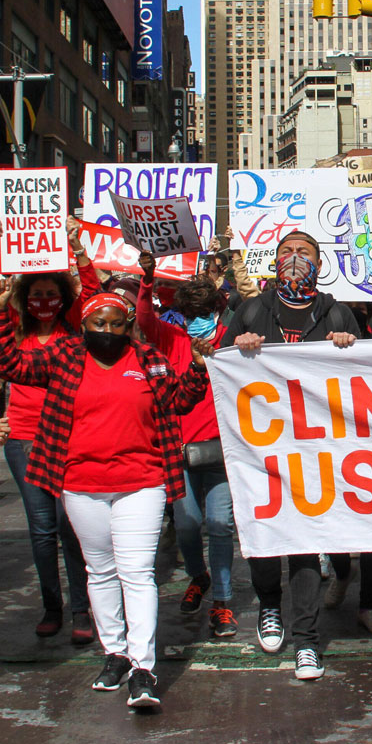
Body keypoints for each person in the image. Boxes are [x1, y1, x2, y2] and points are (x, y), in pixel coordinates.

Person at [0, 282, 209, 711]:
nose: (107, 329)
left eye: (116, 323)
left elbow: (180, 401)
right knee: (100, 571)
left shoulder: (149, 360)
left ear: (128, 327)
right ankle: (115, 654)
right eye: (97, 322)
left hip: (142, 482)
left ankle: (143, 668)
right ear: (83, 324)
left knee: (137, 572)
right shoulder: (64, 356)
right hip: (80, 484)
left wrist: (197, 368)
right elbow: (9, 362)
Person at [218, 231, 362, 681]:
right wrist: (237, 350)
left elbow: (369, 377)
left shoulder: (339, 312)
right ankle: (268, 607)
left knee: (303, 540)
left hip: (316, 450)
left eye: (305, 252)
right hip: (261, 447)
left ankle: (308, 641)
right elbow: (219, 365)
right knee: (264, 535)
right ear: (273, 260)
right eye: (286, 251)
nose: (295, 258)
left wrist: (348, 347)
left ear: (320, 262)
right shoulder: (252, 309)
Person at [0, 266, 97, 645]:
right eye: (36, 296)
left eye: (52, 295)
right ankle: (53, 607)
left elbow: (94, 293)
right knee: (42, 529)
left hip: (68, 437)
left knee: (71, 527)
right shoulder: (16, 335)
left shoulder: (76, 335)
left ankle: (82, 608)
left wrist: (78, 251)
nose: (44, 303)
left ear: (65, 298)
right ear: (25, 302)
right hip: (24, 439)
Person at [134, 257, 239, 641]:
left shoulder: (232, 339)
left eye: (204, 311)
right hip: (179, 452)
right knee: (188, 526)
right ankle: (199, 577)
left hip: (223, 452)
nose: (197, 319)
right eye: (189, 313)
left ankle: (223, 601)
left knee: (220, 524)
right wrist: (146, 280)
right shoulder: (172, 339)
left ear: (217, 309)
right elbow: (144, 320)